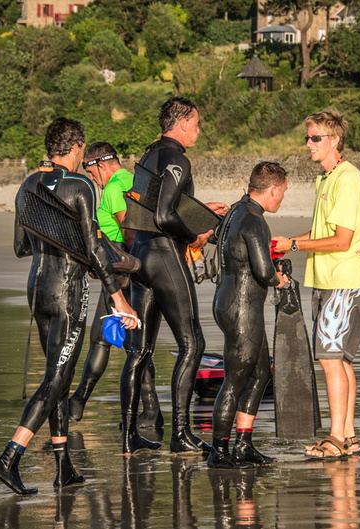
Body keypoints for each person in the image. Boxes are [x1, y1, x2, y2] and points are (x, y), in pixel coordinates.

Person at [0, 117, 138, 495]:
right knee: (57, 378)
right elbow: (92, 248)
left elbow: (21, 247)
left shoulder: (27, 185)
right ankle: (9, 458)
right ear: (76, 149)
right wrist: (118, 296)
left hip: (37, 287)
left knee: (56, 375)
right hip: (68, 292)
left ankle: (63, 465)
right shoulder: (80, 185)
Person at [124, 97, 228, 454]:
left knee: (140, 350)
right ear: (182, 123)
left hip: (141, 255)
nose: (199, 129)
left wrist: (199, 212)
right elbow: (167, 217)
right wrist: (197, 235)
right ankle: (181, 435)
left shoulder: (150, 155)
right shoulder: (178, 158)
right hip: (165, 255)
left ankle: (128, 436)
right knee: (192, 343)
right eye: (196, 123)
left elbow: (155, 207)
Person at [273, 109, 360, 459]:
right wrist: (289, 241)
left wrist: (295, 245)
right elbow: (322, 233)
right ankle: (347, 434)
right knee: (341, 360)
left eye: (315, 138)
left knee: (331, 358)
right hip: (330, 278)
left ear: (334, 140)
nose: (309, 144)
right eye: (307, 137)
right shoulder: (326, 179)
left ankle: (336, 436)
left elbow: (342, 239)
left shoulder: (346, 178)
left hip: (344, 278)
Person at [68, 142, 163, 442]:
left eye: (89, 169)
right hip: (142, 270)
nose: (90, 176)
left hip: (121, 272)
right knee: (138, 344)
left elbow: (130, 232)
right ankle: (153, 412)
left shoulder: (111, 190)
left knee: (101, 340)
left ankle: (78, 402)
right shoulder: (136, 180)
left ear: (101, 163)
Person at [207, 162, 289, 469]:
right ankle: (219, 450)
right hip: (241, 307)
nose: (282, 199)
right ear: (272, 189)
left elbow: (219, 238)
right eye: (282, 193)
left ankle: (243, 443)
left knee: (260, 375)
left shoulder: (236, 211)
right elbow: (264, 271)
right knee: (236, 380)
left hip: (230, 302)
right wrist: (279, 277)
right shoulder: (255, 220)